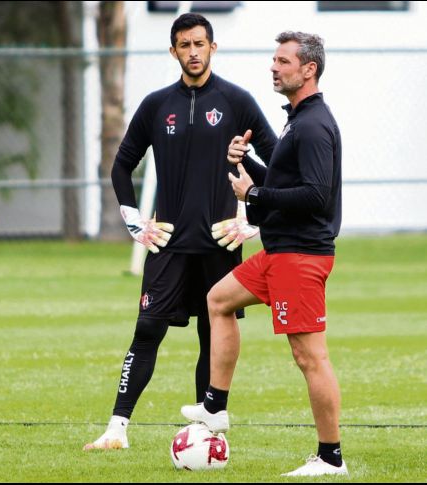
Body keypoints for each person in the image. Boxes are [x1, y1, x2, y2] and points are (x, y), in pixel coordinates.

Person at [84, 13, 276, 450]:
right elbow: (121, 164)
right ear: (173, 51)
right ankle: (116, 429)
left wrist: (251, 219)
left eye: (200, 44)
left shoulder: (237, 102)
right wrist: (136, 221)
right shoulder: (156, 105)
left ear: (213, 47)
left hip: (220, 245)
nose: (193, 52)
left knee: (213, 337)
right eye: (184, 45)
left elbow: (279, 165)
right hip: (168, 244)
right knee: (147, 330)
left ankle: (203, 432)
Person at [180, 31, 346, 476]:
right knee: (218, 300)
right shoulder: (297, 119)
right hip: (279, 252)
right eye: (274, 60)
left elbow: (315, 195)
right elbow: (284, 180)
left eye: (284, 61)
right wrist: (246, 161)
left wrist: (253, 193)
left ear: (308, 69)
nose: (274, 67)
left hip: (300, 256)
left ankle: (331, 458)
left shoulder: (313, 125)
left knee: (310, 357)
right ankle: (215, 408)